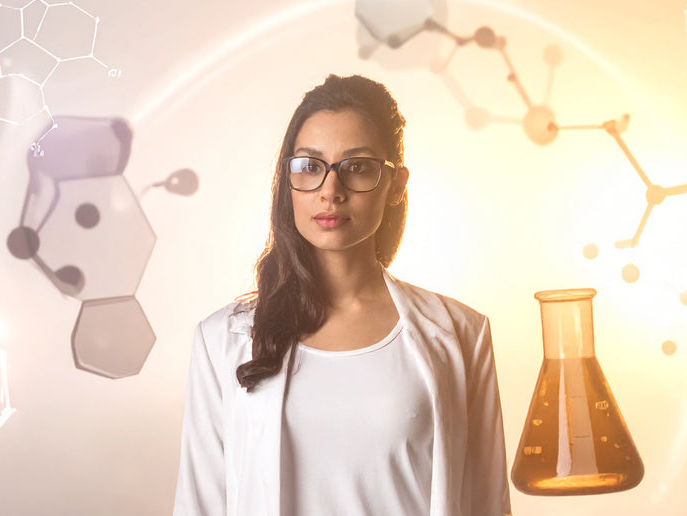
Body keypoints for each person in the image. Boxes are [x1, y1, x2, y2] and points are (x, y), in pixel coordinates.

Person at [173, 74, 512, 516]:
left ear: (396, 184)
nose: (330, 191)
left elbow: (488, 504)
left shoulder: (461, 334)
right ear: (288, 180)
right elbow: (199, 505)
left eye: (357, 167)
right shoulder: (222, 339)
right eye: (310, 166)